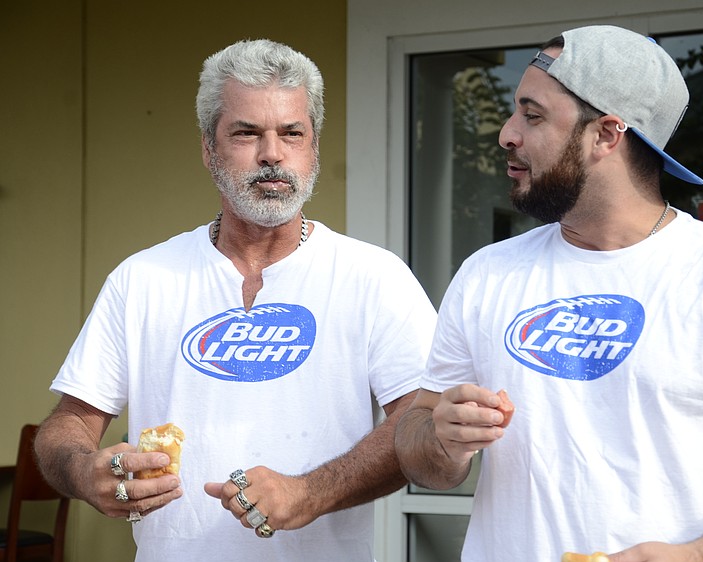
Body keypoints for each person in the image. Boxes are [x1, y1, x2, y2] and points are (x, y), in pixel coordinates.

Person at [394, 24, 703, 562]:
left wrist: (697, 557)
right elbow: (419, 450)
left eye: (532, 115)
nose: (506, 134)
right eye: (515, 111)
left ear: (607, 134)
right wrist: (441, 438)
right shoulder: (487, 274)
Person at [34, 39, 436, 561]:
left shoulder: (374, 277)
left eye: (292, 133)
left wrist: (312, 491)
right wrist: (85, 472)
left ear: (313, 147)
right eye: (247, 133)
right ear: (208, 148)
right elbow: (67, 425)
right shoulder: (143, 279)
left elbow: (423, 421)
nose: (272, 154)